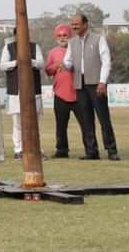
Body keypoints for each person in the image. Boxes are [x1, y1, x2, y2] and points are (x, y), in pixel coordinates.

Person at [61, 12, 120, 161]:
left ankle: (111, 150)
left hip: (96, 83)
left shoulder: (98, 39)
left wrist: (102, 82)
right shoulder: (72, 42)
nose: (74, 26)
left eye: (76, 23)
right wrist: (64, 65)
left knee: (103, 119)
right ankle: (91, 151)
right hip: (79, 84)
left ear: (85, 24)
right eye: (72, 24)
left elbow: (106, 62)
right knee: (86, 120)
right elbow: (68, 61)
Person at [0, 30, 44, 160]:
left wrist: (29, 61)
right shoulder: (9, 47)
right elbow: (2, 65)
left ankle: (37, 149)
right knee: (17, 123)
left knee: (35, 123)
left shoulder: (35, 47)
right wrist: (16, 62)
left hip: (33, 89)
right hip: (16, 91)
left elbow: (41, 63)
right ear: (15, 36)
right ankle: (18, 149)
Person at [45, 24, 83, 158]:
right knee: (61, 125)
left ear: (70, 36)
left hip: (79, 93)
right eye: (59, 36)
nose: (62, 38)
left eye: (65, 35)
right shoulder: (53, 53)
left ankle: (91, 149)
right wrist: (56, 65)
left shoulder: (78, 50)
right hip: (60, 94)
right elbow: (47, 70)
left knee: (85, 124)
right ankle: (61, 150)